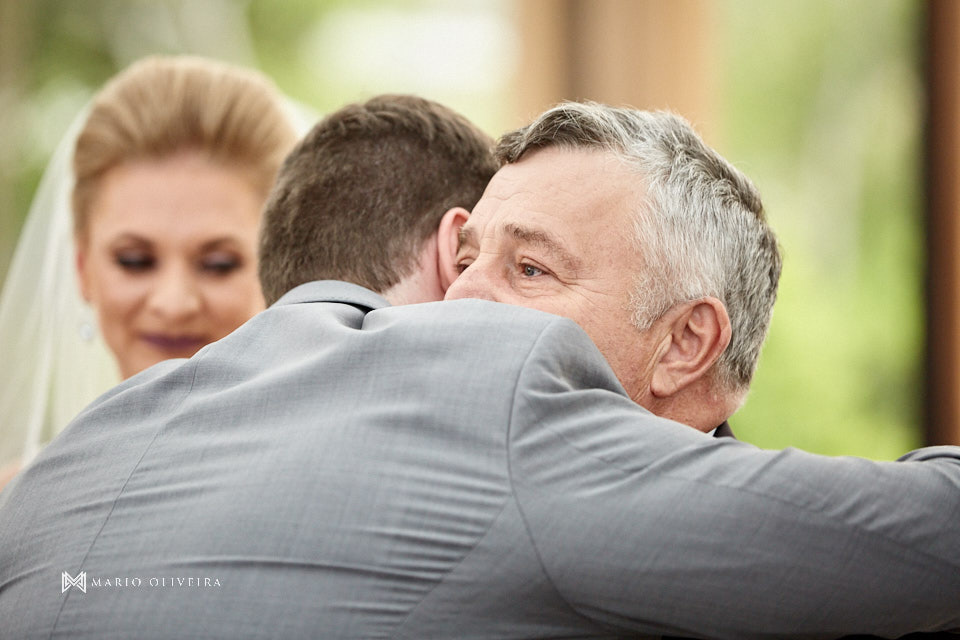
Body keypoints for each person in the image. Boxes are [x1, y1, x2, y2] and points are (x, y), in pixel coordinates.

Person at [1, 96, 958, 639]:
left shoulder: (87, 445)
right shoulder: (490, 403)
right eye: (464, 261)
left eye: (531, 269)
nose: (458, 301)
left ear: (686, 343)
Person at [0, 55, 303, 479]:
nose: (173, 303)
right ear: (82, 267)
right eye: (135, 261)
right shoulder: (17, 500)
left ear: (280, 269)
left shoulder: (333, 484)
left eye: (218, 264)